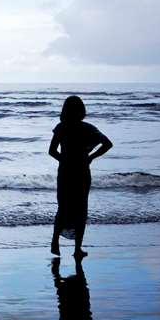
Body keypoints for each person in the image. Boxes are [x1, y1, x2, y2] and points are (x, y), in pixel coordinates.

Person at [49, 95, 112, 258]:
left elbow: (52, 151)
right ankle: (77, 249)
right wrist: (91, 157)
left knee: (63, 207)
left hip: (65, 172)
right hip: (82, 172)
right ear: (81, 110)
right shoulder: (88, 128)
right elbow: (107, 144)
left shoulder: (61, 127)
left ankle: (55, 242)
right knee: (81, 209)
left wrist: (65, 160)